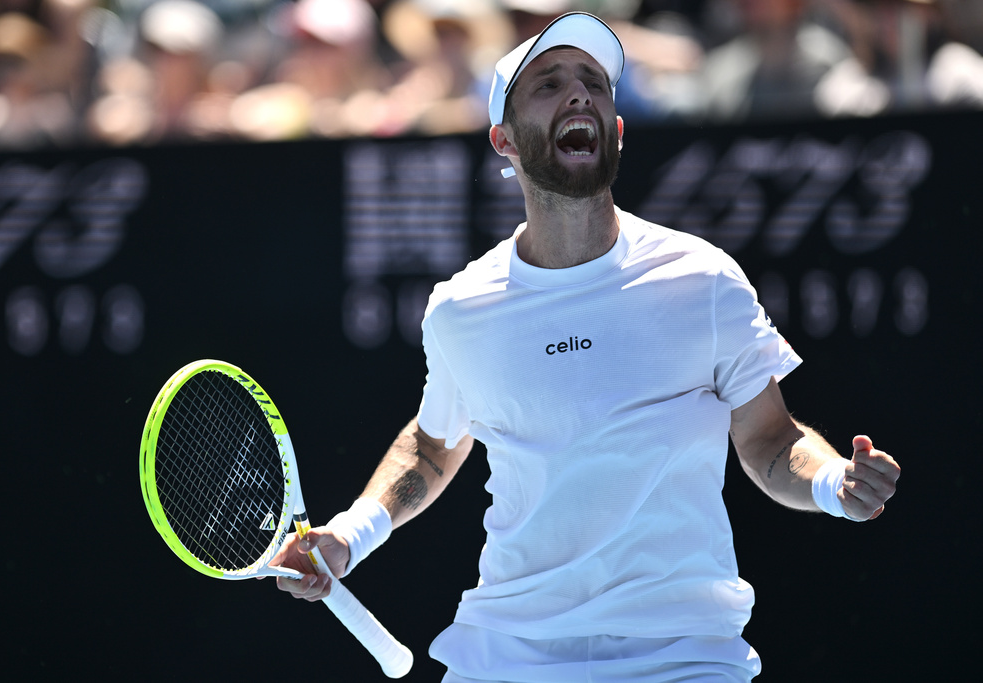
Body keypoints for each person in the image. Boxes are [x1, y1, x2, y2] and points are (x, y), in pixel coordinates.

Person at [270, 12, 901, 682]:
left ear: (617, 130)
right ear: (504, 140)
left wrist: (835, 481)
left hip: (683, 658)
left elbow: (771, 441)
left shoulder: (704, 280)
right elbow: (432, 444)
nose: (579, 95)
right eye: (548, 84)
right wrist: (349, 534)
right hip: (509, 654)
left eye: (593, 84)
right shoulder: (461, 309)